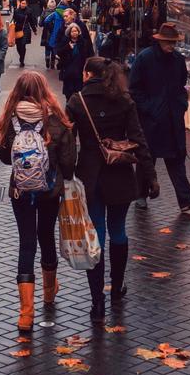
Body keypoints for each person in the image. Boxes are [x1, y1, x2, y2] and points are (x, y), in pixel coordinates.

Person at [67, 58, 157, 320]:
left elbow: (68, 143)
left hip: (91, 177)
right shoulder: (124, 101)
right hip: (120, 175)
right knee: (118, 230)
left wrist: (66, 174)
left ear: (87, 74)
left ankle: (97, 302)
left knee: (96, 234)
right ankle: (117, 287)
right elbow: (138, 140)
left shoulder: (77, 102)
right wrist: (150, 176)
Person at [0, 71, 76, 331]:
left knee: (26, 243)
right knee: (46, 236)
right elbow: (68, 162)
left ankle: (25, 314)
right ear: (44, 90)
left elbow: (6, 159)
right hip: (50, 191)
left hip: (20, 191)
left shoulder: (12, 119)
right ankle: (49, 293)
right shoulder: (56, 119)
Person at [129, 22, 190, 213]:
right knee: (147, 157)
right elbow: (135, 88)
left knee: (176, 158)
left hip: (173, 118)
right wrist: (149, 107)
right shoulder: (145, 58)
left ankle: (185, 198)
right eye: (168, 42)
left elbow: (180, 84)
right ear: (160, 41)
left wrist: (180, 104)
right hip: (152, 119)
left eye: (173, 42)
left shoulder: (178, 60)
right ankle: (141, 195)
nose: (171, 46)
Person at [59, 23, 90, 100]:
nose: (74, 33)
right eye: (72, 31)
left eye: (76, 31)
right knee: (68, 92)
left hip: (79, 70)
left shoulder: (83, 42)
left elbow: (87, 54)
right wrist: (68, 47)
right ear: (69, 33)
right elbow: (59, 52)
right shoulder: (65, 41)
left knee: (78, 91)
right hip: (68, 70)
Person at [12, 0, 37, 67]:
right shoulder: (16, 11)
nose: (23, 5)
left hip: (25, 29)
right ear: (20, 3)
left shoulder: (29, 11)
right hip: (17, 29)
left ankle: (22, 60)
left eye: (24, 3)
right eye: (22, 3)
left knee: (23, 45)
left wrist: (34, 30)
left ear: (26, 4)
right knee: (18, 46)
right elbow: (14, 19)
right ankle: (21, 56)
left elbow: (31, 21)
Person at [41, 0, 58, 69]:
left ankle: (47, 59)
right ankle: (52, 63)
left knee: (47, 47)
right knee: (53, 47)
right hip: (55, 32)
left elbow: (40, 24)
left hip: (46, 32)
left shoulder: (44, 12)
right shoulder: (57, 13)